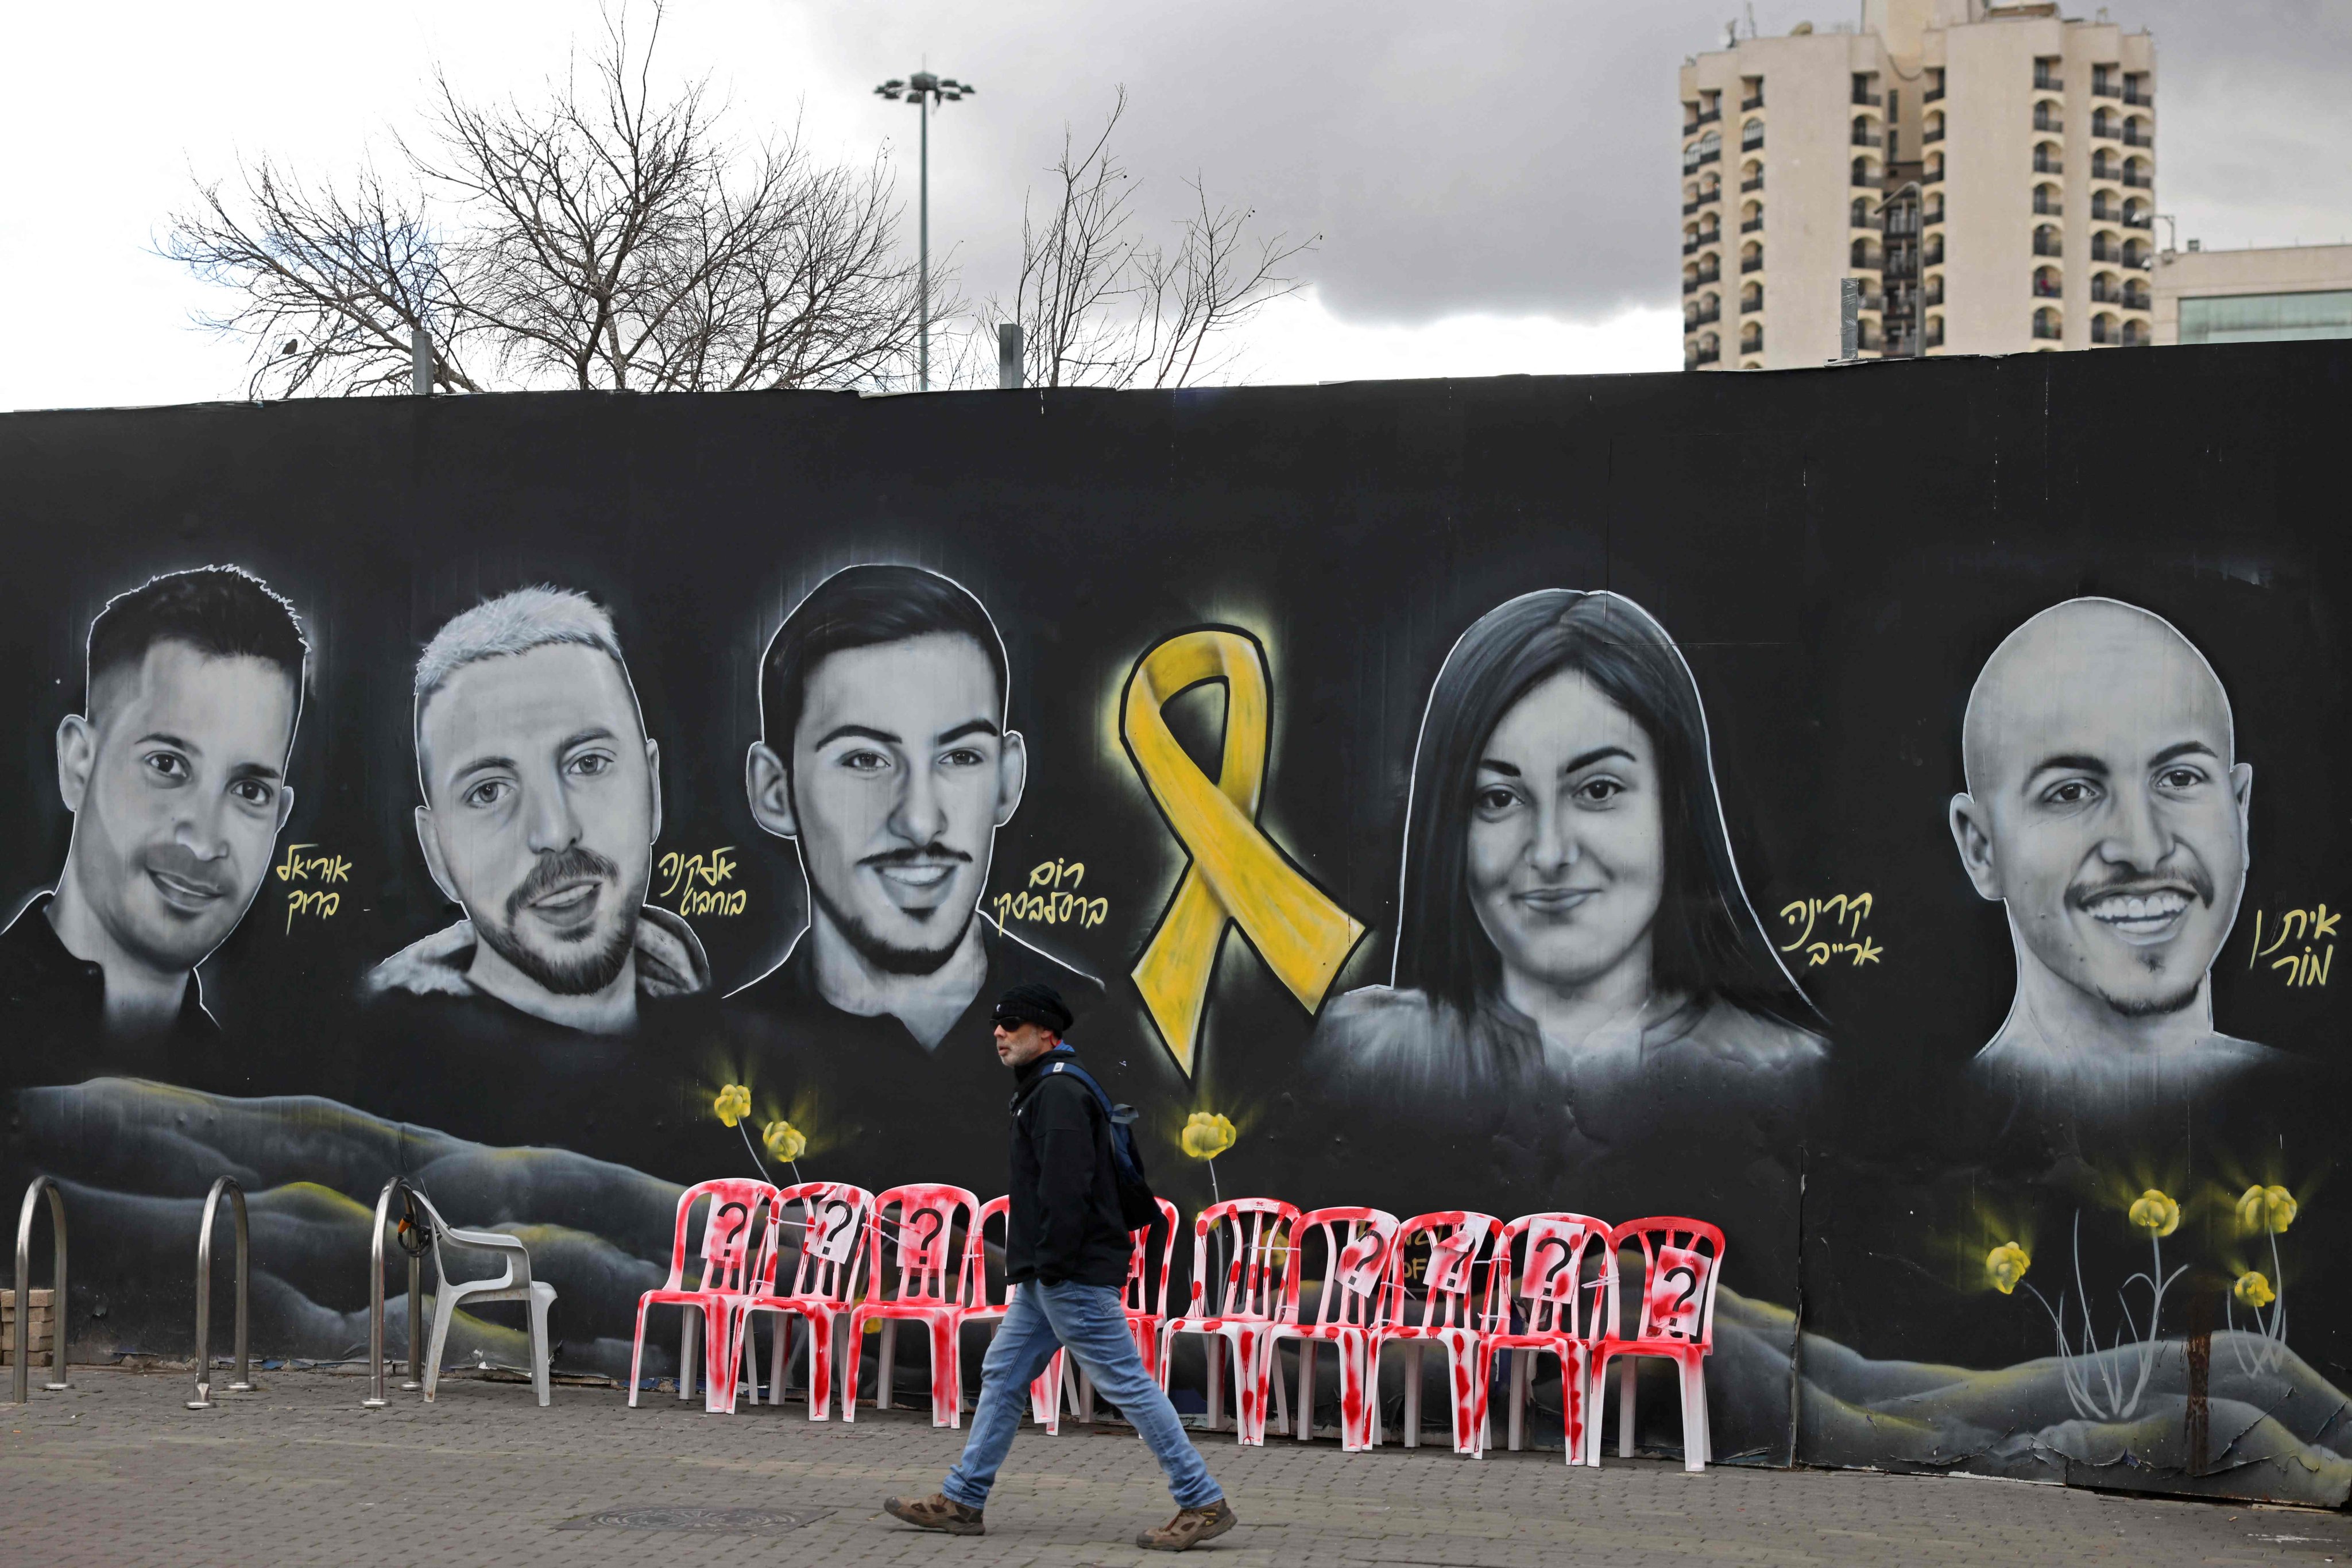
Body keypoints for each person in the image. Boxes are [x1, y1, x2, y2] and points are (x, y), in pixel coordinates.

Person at [1308, 589, 1824, 1114]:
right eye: (1499, 798)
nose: (1550, 853)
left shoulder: (1792, 1079)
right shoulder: (1353, 1059)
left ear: (1677, 809)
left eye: (1598, 790)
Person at [727, 566, 1100, 1186]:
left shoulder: (1105, 1032)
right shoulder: (719, 1058)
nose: (921, 821)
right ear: (775, 791)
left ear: (1007, 779)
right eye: (865, 759)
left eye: (960, 756)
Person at [884, 983, 1234, 1552]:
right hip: (1048, 1276)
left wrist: (1050, 1267)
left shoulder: (1058, 1095)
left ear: (1048, 1033)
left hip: (1067, 1274)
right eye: (997, 1024)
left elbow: (1065, 1191)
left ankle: (1202, 1499)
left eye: (1014, 1024)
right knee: (1003, 1375)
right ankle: (964, 1500)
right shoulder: (1045, 1090)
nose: (999, 1032)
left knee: (1128, 1384)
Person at [1949, 597, 2285, 1116]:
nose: (2145, 849)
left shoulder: (2325, 1112)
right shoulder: (1923, 1150)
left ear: (2239, 811)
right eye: (2071, 792)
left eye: (2179, 778)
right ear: (1981, 848)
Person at [1, 566, 307, 1082]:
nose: (205, 840)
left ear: (278, 817)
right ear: (79, 763)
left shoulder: (247, 1113)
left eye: (249, 790)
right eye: (167, 764)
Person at [364, 587, 710, 1037]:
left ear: (653, 789)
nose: (555, 831)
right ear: (437, 853)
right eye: (488, 791)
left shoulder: (724, 1037)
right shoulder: (373, 1068)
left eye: (588, 763)